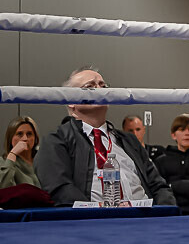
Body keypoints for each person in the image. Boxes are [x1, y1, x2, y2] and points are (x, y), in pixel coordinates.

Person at [35, 66, 176, 206]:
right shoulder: (55, 142)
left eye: (103, 86)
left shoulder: (129, 141)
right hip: (94, 222)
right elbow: (59, 189)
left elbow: (159, 186)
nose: (99, 90)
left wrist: (164, 212)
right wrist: (99, 212)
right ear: (71, 101)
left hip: (146, 219)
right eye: (89, 86)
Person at [2, 116, 41, 188]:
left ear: (35, 138)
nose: (25, 138)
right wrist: (13, 153)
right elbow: (4, 188)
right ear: (11, 138)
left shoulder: (42, 159)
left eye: (29, 134)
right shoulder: (3, 162)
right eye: (20, 134)